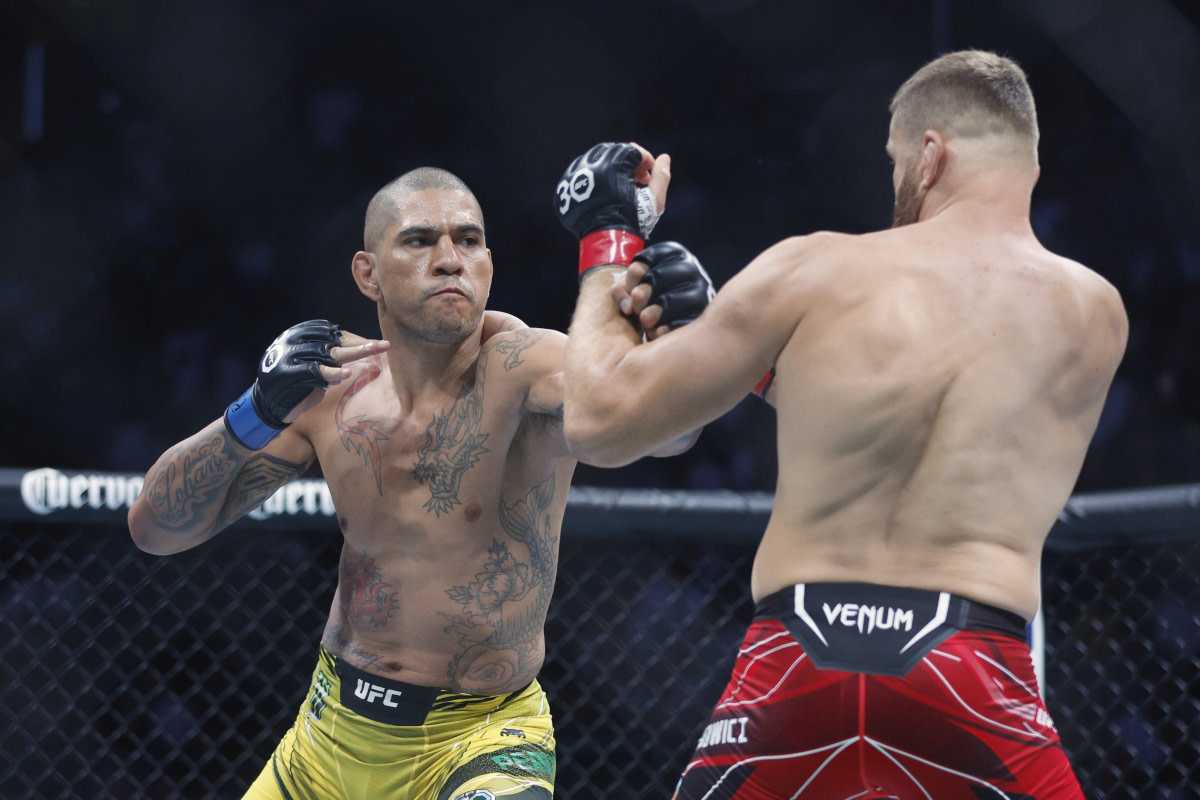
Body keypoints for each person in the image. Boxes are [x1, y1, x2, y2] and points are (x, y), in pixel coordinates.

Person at [556, 50, 1127, 799]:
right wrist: (754, 359)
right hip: (971, 677)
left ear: (931, 155)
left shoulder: (815, 270)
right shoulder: (1092, 313)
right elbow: (938, 411)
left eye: (895, 159)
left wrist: (609, 238)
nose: (894, 183)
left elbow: (599, 420)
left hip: (795, 661)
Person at [127, 162, 707, 799]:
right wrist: (254, 412)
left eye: (468, 240)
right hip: (329, 738)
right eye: (419, 240)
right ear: (366, 273)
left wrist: (667, 323)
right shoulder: (331, 388)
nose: (450, 258)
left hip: (483, 739)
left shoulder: (522, 367)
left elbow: (664, 429)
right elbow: (156, 529)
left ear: (490, 261)